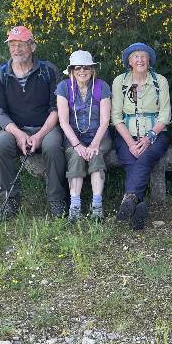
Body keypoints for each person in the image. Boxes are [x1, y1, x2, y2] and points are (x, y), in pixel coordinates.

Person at [0, 26, 67, 219]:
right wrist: (19, 134)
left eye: (22, 45)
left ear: (32, 47)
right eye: (12, 45)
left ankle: (56, 201)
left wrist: (40, 135)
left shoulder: (48, 71)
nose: (16, 50)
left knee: (53, 147)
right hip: (16, 129)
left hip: (47, 128)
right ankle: (9, 200)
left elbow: (56, 108)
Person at [111, 43, 171, 230]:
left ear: (149, 60)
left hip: (156, 134)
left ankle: (129, 198)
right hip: (126, 135)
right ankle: (139, 206)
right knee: (131, 158)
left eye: (143, 56)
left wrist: (148, 138)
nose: (140, 60)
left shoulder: (159, 81)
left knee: (143, 157)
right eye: (135, 57)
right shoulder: (119, 82)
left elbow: (165, 115)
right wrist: (130, 142)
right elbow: (116, 116)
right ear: (129, 61)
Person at [55, 51, 112, 221]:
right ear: (72, 70)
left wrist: (94, 144)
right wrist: (78, 145)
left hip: (99, 136)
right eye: (77, 67)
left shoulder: (102, 86)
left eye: (86, 67)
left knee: (96, 155)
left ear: (92, 69)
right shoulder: (63, 87)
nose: (82, 70)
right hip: (74, 137)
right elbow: (64, 122)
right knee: (75, 156)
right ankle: (75, 205)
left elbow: (105, 121)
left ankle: (97, 205)